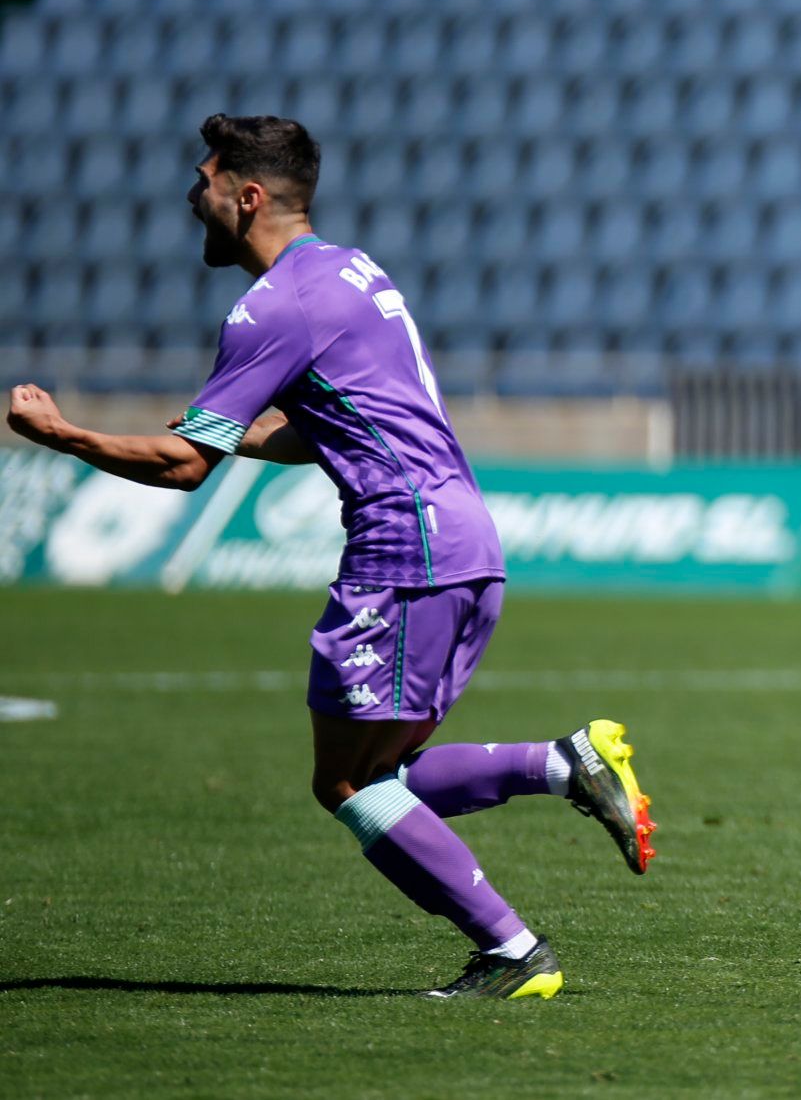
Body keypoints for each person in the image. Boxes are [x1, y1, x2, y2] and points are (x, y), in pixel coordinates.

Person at [5, 113, 658, 1000]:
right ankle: (563, 762)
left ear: (247, 195)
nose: (190, 198)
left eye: (202, 182)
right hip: (463, 538)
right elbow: (339, 422)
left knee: (350, 779)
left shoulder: (271, 305)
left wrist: (63, 434)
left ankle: (513, 950)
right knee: (381, 771)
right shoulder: (354, 271)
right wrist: (233, 432)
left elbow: (184, 468)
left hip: (403, 551)